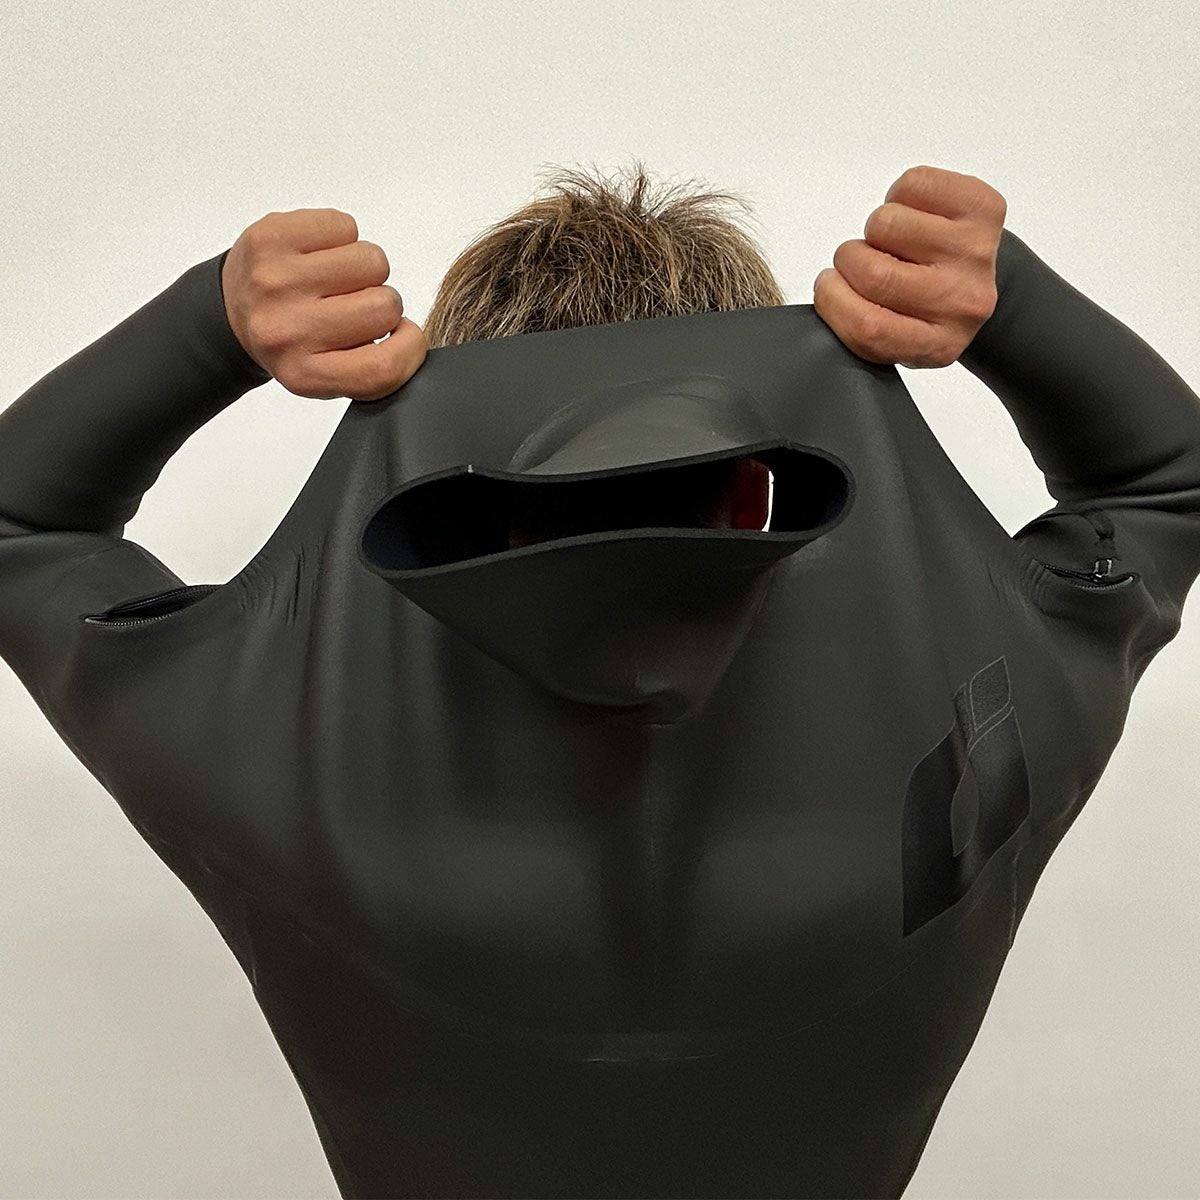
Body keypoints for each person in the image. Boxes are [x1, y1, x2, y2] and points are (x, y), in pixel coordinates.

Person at [2, 160, 1198, 1199]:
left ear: (467, 475)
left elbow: (21, 531)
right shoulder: (996, 700)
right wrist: (1012, 303)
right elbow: (1165, 488)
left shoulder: (267, 744)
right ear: (754, 471)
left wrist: (208, 328)